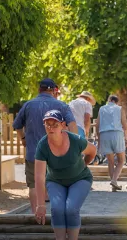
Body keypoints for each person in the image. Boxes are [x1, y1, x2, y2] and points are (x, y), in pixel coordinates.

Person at [34, 110, 96, 240]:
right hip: (56, 181)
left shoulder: (75, 140)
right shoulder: (42, 145)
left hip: (80, 179)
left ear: (63, 125)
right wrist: (40, 205)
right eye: (47, 124)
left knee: (71, 208)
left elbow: (92, 151)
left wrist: (84, 164)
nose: (50, 127)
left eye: (54, 124)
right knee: (56, 208)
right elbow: (39, 176)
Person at [13, 78, 78, 214]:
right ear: (54, 90)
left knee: (33, 185)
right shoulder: (61, 105)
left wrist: (23, 138)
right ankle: (58, 216)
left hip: (33, 154)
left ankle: (36, 216)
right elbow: (72, 125)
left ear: (39, 89)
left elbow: (17, 125)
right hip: (57, 154)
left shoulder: (28, 105)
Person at [96, 94, 127, 191]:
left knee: (110, 162)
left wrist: (99, 139)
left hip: (104, 134)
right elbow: (125, 125)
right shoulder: (119, 108)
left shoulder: (101, 109)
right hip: (116, 134)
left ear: (108, 100)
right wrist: (126, 138)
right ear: (116, 101)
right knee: (121, 160)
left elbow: (97, 126)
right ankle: (114, 180)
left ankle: (113, 186)